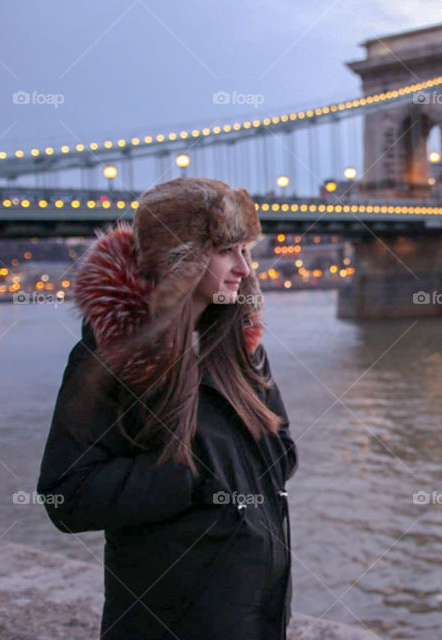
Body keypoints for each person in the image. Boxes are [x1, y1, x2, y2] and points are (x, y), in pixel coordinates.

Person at [36, 177, 297, 639]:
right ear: (181, 258)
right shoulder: (112, 356)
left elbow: (282, 449)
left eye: (245, 250)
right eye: (226, 251)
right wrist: (186, 475)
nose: (244, 267)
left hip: (258, 617)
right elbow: (66, 495)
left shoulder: (241, 346)